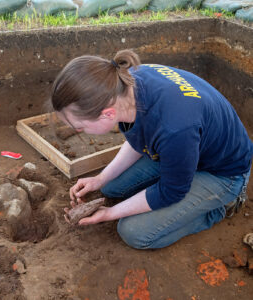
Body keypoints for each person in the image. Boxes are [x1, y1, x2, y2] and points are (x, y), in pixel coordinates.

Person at [50, 49, 253, 249]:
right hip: (187, 150)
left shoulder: (175, 128)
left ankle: (220, 208)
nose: (78, 131)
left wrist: (109, 213)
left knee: (134, 232)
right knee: (110, 187)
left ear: (107, 114)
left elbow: (171, 192)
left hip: (222, 172)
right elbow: (139, 137)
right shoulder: (125, 83)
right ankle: (176, 176)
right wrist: (100, 178)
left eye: (80, 127)